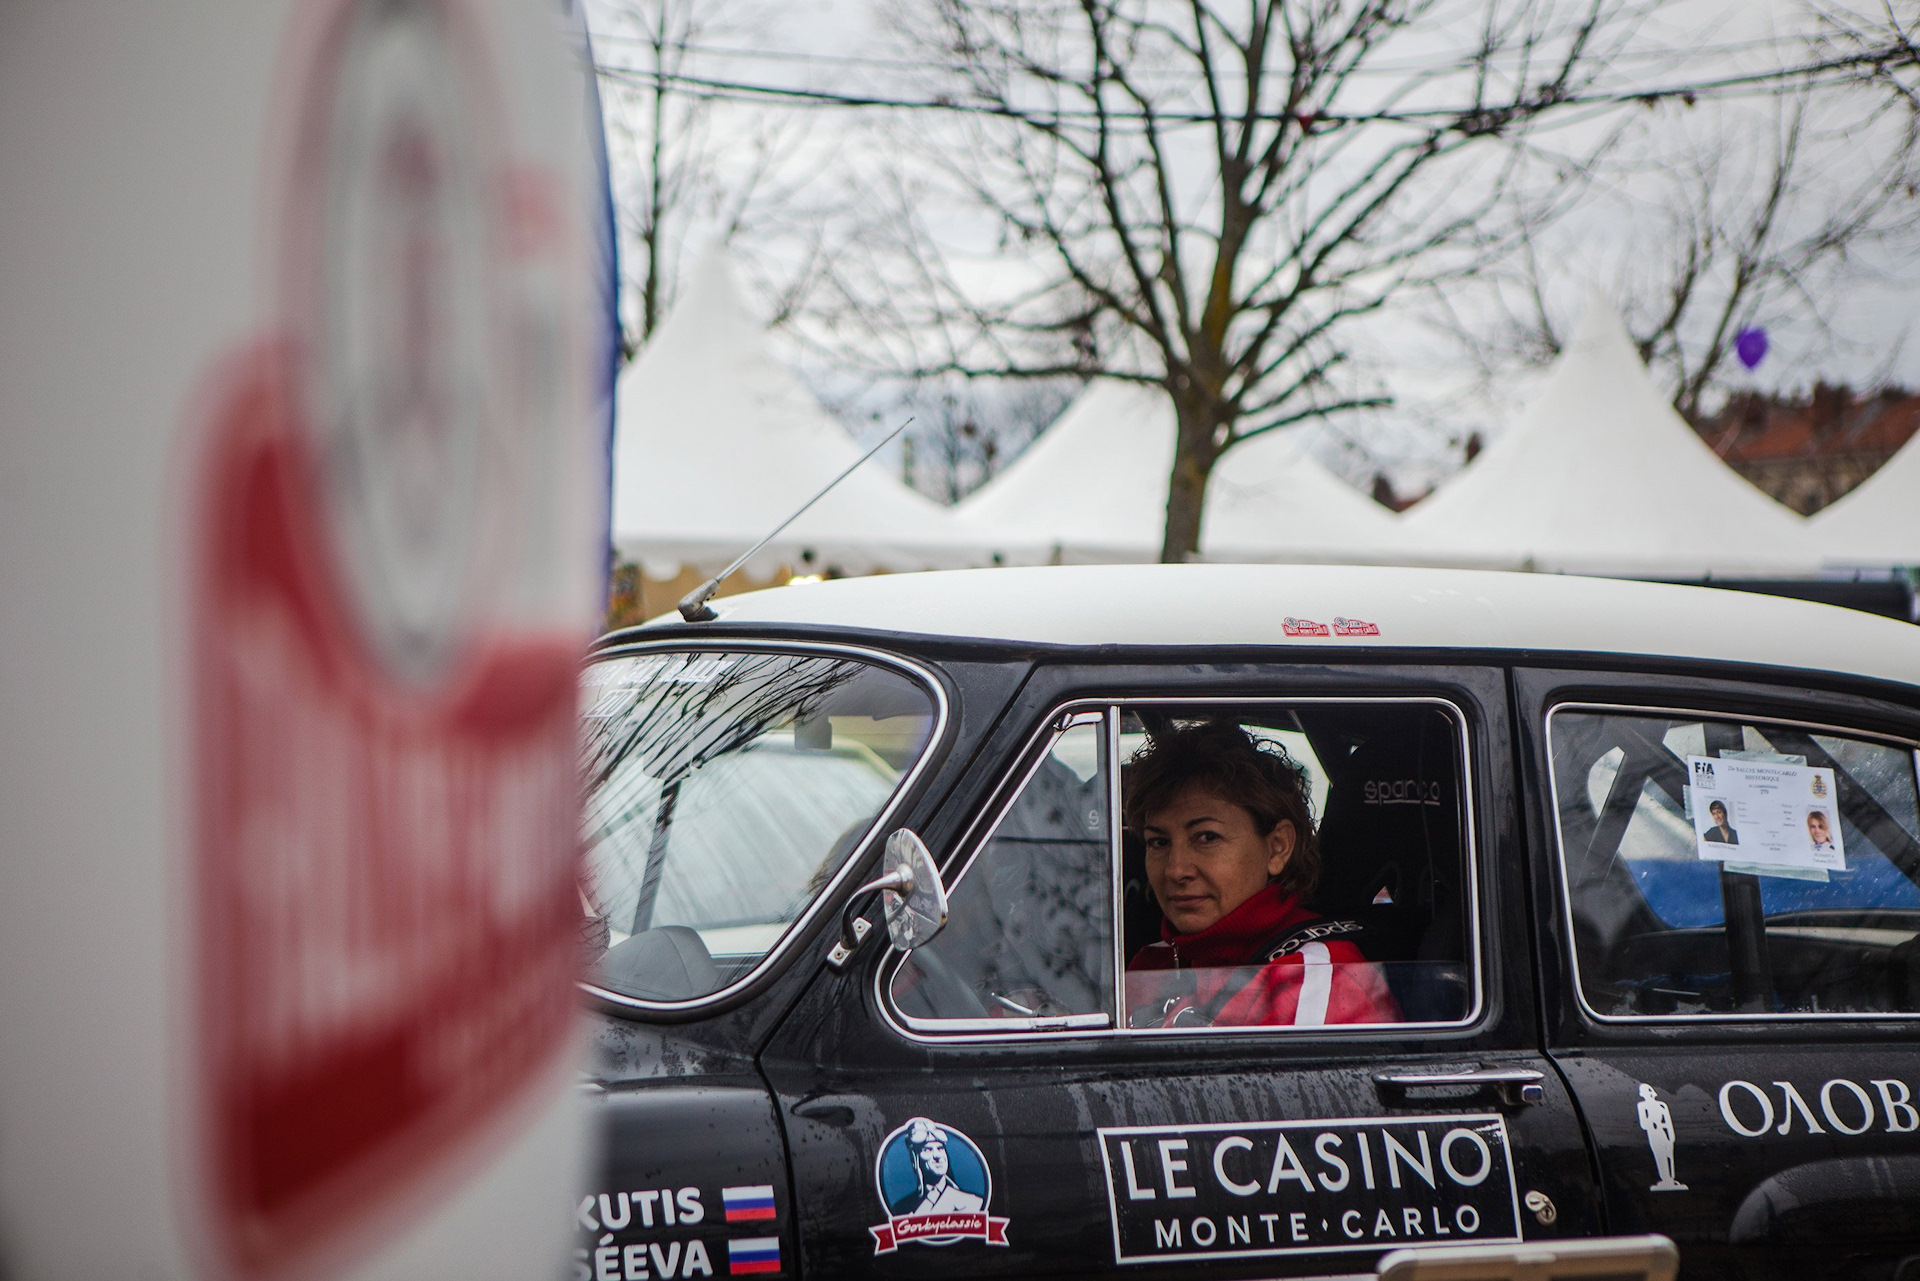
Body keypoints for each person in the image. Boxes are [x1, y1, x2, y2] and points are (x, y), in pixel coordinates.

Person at [1122, 721, 1399, 1028]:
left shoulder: (1317, 977)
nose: (1175, 870)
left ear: (1277, 847)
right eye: (1158, 842)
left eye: (1207, 837)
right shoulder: (1153, 964)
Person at [888, 1119, 984, 1216]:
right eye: (928, 1150)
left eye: (940, 1148)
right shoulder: (902, 1208)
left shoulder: (972, 1202)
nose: (937, 1156)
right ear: (915, 1159)